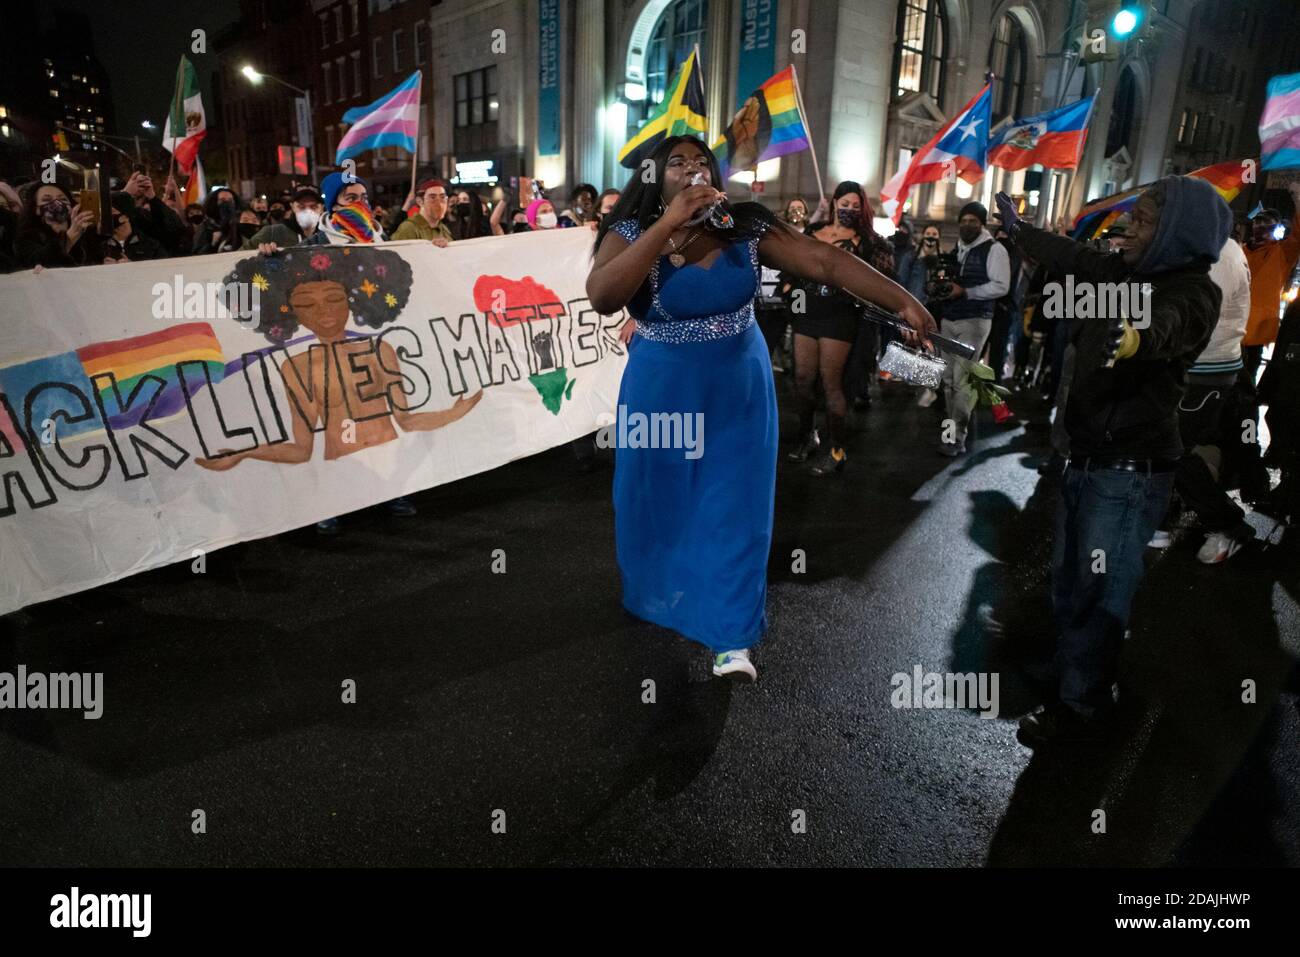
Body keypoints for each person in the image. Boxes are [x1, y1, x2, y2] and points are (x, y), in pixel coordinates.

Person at [587, 136, 933, 682]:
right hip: (664, 387)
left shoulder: (743, 224)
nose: (693, 170)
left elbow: (822, 259)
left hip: (738, 387)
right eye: (677, 163)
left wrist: (903, 298)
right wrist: (665, 227)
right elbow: (604, 295)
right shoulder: (629, 232)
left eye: (702, 162)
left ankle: (731, 636)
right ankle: (663, 595)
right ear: (654, 177)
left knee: (734, 503)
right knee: (660, 499)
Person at [995, 178, 1229, 745]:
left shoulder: (1194, 290)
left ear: (1176, 232)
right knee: (1071, 580)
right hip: (1088, 459)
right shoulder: (1121, 273)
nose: (1128, 229)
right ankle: (1073, 669)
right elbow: (1072, 253)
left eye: (1144, 221)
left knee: (1100, 592)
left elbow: (1167, 327)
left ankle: (1084, 708)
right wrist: (1021, 232)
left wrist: (1133, 339)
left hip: (1129, 473)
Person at [196, 245, 480, 473]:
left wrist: (453, 413)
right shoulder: (295, 368)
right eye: (306, 304)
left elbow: (405, 420)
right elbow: (301, 449)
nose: (323, 311)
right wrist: (245, 454)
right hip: (338, 480)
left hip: (394, 472)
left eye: (334, 299)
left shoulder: (380, 350)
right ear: (292, 314)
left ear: (352, 301)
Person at [786, 181, 894, 474]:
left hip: (840, 317)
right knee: (802, 379)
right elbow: (794, 264)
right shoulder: (813, 232)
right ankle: (807, 436)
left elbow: (881, 280)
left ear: (862, 210)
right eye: (843, 204)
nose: (848, 210)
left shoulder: (868, 242)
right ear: (833, 203)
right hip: (807, 312)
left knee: (832, 382)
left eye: (855, 207)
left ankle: (836, 450)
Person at [1163, 235, 1254, 563]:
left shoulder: (1222, 255)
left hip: (1205, 369)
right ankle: (1162, 517)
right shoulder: (1214, 251)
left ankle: (1228, 524)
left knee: (1171, 448)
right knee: (1169, 445)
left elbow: (1195, 315)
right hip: (1201, 367)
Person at [935, 201, 1010, 456]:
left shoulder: (994, 249)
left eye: (972, 221)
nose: (967, 225)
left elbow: (1001, 285)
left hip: (975, 320)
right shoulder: (958, 248)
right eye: (963, 221)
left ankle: (958, 437)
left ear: (982, 223)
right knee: (946, 379)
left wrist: (967, 291)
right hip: (950, 318)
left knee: (961, 380)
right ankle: (950, 432)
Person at [14, 182, 102, 268]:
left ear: (71, 206)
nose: (57, 203)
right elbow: (41, 264)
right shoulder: (27, 238)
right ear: (36, 209)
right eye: (47, 200)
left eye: (63, 199)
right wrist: (68, 238)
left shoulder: (85, 234)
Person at [241, 184, 329, 251]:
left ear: (322, 208)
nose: (308, 211)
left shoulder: (330, 235)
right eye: (301, 207)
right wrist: (259, 255)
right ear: (292, 206)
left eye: (314, 207)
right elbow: (236, 257)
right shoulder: (272, 233)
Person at [103, 193, 166, 262]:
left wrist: (132, 266)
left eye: (111, 211)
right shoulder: (101, 246)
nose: (106, 215)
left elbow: (164, 269)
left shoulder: (150, 246)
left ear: (124, 217)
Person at [391, 179, 453, 245]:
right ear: (420, 201)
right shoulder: (409, 228)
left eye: (442, 197)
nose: (439, 204)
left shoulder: (444, 229)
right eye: (432, 198)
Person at [192, 187, 244, 254]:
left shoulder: (241, 222)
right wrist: (212, 244)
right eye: (222, 200)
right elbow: (196, 253)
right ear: (214, 203)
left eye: (230, 200)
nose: (227, 203)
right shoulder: (206, 226)